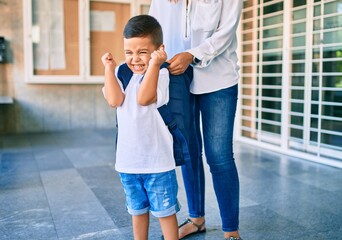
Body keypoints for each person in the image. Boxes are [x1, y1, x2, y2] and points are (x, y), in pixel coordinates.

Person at [149, 1, 243, 239]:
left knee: (219, 156)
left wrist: (193, 54)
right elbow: (154, 31)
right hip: (176, 78)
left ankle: (231, 230)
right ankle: (196, 219)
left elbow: (227, 31)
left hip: (219, 78)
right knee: (189, 151)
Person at [101, 15, 180, 240]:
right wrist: (109, 68)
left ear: (158, 50)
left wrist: (155, 64)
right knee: (137, 211)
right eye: (129, 52)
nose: (134, 59)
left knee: (165, 212)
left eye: (142, 52)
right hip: (128, 162)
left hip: (157, 162)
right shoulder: (121, 72)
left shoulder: (161, 73)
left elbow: (145, 98)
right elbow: (114, 100)